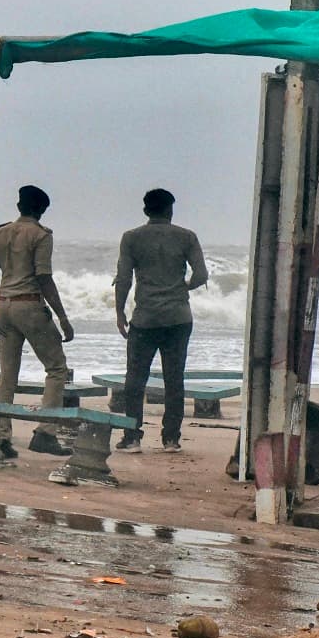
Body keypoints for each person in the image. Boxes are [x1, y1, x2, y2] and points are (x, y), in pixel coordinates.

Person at [0, 185, 74, 459]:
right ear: (42, 210)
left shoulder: (0, 232)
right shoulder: (41, 235)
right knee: (57, 369)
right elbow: (44, 277)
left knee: (7, 374)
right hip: (30, 305)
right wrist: (62, 317)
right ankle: (46, 432)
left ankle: (0, 438)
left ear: (19, 205)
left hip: (4, 306)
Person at [114, 188, 207, 454]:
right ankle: (171, 439)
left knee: (135, 379)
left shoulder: (131, 238)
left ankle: (132, 436)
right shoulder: (187, 237)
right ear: (170, 210)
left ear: (146, 211)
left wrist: (120, 312)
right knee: (174, 379)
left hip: (145, 319)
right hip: (178, 318)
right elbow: (201, 274)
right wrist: (183, 287)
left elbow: (123, 279)